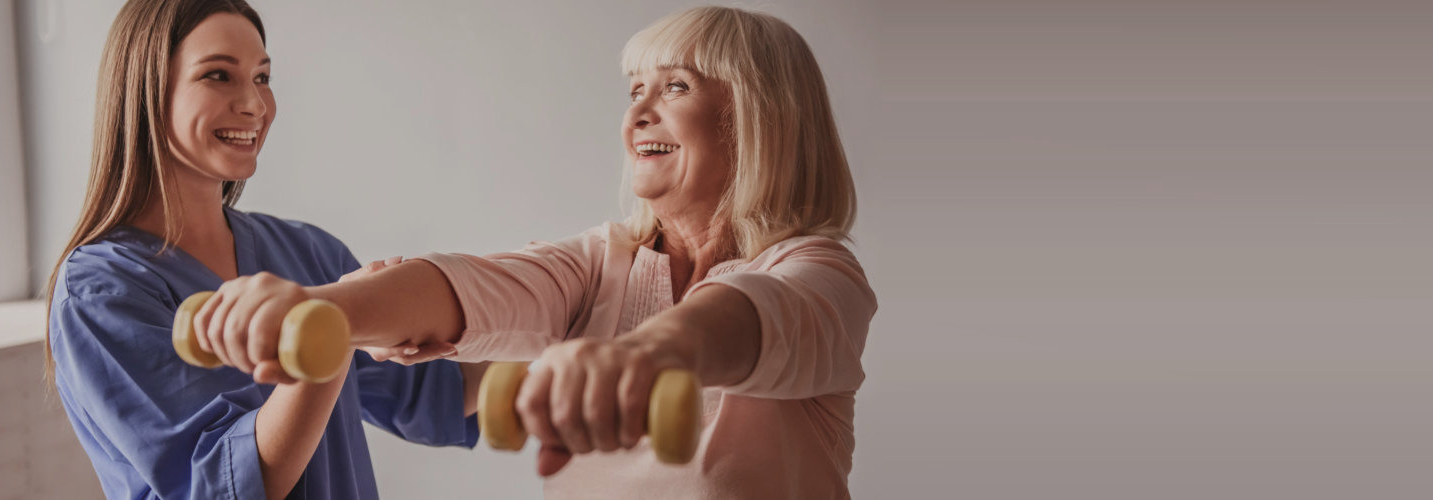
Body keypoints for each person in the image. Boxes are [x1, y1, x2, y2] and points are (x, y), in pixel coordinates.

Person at [194, 6, 876, 498]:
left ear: (759, 117)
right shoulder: (599, 264)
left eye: (675, 87)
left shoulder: (819, 273)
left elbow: (753, 315)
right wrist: (321, 308)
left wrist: (642, 357)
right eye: (635, 91)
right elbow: (479, 285)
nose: (637, 114)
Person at [43, 1, 481, 498]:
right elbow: (227, 483)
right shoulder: (101, 290)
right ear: (145, 90)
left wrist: (565, 311)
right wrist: (328, 328)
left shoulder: (309, 251)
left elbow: (434, 394)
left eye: (263, 77)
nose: (255, 103)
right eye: (218, 75)